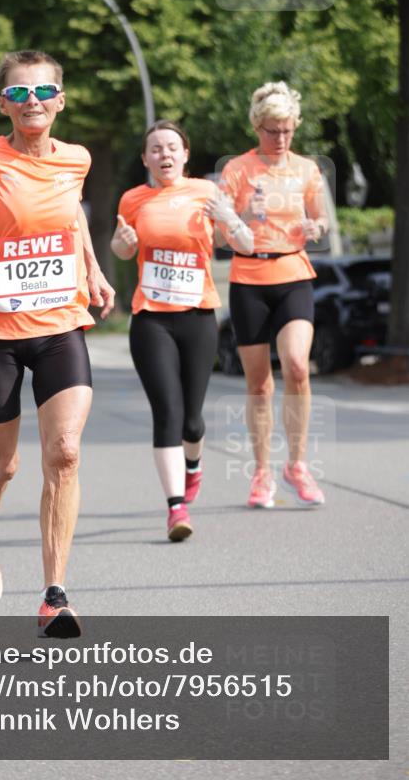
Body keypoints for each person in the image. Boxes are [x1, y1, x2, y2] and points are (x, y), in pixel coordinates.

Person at [0, 49, 114, 638]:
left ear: (60, 100)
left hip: (61, 322)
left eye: (43, 93)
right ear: (2, 103)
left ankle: (55, 595)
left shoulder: (76, 159)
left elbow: (74, 217)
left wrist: (95, 270)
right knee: (3, 465)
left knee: (64, 452)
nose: (32, 103)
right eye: (19, 94)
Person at [111, 120, 253, 541]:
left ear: (185, 154)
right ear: (145, 158)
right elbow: (123, 250)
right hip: (151, 318)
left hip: (197, 315)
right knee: (167, 413)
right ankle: (176, 507)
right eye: (155, 149)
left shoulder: (207, 193)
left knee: (192, 421)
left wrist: (228, 217)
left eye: (172, 147)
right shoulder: (134, 199)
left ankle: (194, 462)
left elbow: (245, 245)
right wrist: (123, 240)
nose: (165, 155)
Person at [219, 81, 329, 508]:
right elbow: (220, 230)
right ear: (256, 127)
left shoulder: (306, 169)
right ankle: (262, 472)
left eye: (286, 130)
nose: (279, 139)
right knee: (260, 385)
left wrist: (315, 228)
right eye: (271, 130)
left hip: (293, 272)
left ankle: (297, 465)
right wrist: (243, 215)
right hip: (249, 278)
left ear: (294, 126)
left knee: (298, 367)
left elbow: (321, 220)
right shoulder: (237, 170)